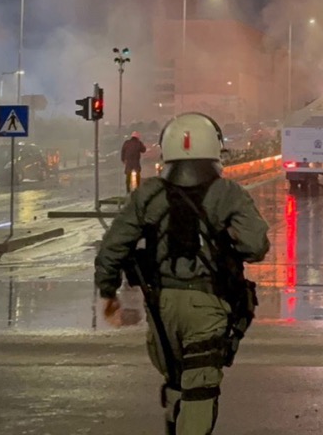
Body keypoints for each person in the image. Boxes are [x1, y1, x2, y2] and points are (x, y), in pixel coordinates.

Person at [95, 113, 269, 435]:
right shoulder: (228, 193)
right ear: (214, 150)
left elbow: (112, 247)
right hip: (207, 307)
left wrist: (108, 292)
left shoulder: (148, 194)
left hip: (160, 306)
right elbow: (256, 245)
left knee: (175, 380)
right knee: (200, 391)